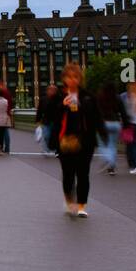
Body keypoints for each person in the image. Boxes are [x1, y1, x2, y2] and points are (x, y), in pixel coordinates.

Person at [47, 63, 105, 217]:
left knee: (83, 174)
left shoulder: (88, 96)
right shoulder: (58, 97)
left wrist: (103, 134)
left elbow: (97, 117)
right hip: (64, 141)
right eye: (69, 77)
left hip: (85, 141)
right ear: (64, 78)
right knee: (68, 174)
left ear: (80, 79)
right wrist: (62, 106)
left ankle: (81, 206)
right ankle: (69, 202)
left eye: (75, 77)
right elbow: (50, 117)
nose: (72, 80)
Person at [96, 81, 122, 175]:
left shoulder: (100, 97)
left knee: (103, 144)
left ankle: (108, 159)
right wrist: (126, 123)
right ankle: (111, 168)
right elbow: (123, 111)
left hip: (103, 123)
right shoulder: (117, 97)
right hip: (115, 123)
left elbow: (95, 111)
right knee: (112, 145)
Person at [34, 84, 59, 157]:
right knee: (46, 135)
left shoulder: (59, 99)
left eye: (53, 90)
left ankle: (56, 150)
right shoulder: (43, 99)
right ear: (47, 91)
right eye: (50, 90)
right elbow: (39, 110)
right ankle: (46, 149)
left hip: (56, 121)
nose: (52, 91)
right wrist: (38, 120)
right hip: (46, 121)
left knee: (56, 137)